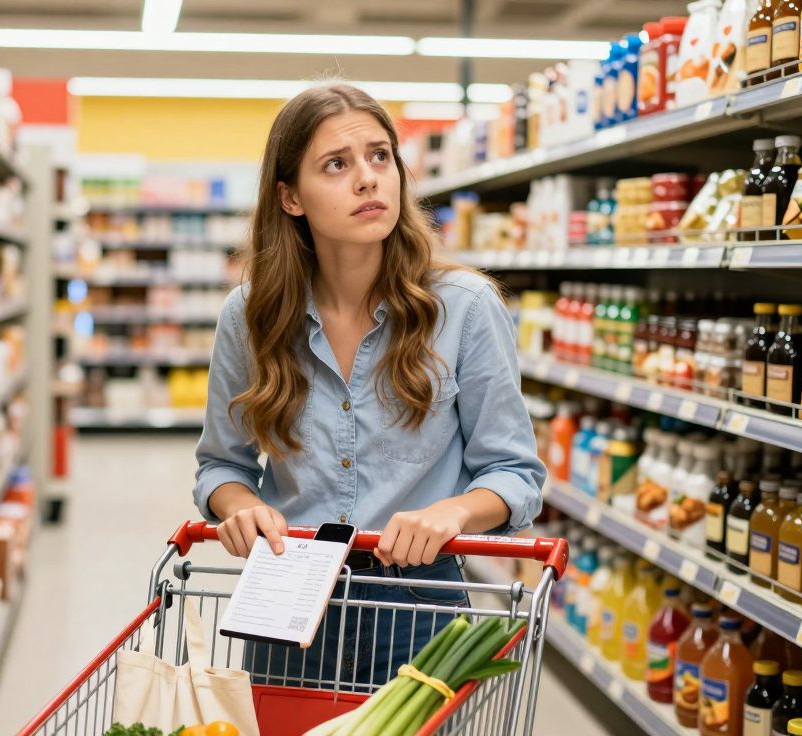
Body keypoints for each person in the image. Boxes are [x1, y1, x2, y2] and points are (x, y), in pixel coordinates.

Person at [192, 83, 546, 687]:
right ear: (290, 197)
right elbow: (221, 466)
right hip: (289, 595)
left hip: (420, 606)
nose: (367, 179)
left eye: (380, 156)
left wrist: (454, 510)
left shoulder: (464, 308)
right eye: (336, 164)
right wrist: (242, 507)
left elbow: (515, 474)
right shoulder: (249, 317)